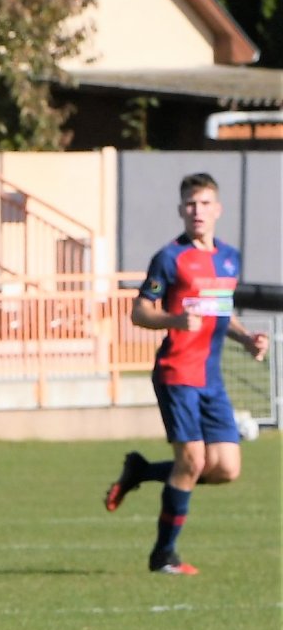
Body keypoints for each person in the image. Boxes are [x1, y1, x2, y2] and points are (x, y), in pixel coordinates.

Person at [104, 172, 268, 573]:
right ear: (181, 210)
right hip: (177, 372)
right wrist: (175, 320)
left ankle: (141, 471)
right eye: (190, 205)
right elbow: (140, 311)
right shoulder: (170, 257)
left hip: (211, 378)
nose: (198, 211)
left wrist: (247, 340)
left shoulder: (228, 257)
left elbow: (220, 311)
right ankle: (164, 556)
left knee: (226, 469)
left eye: (205, 204)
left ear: (217, 209)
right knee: (193, 461)